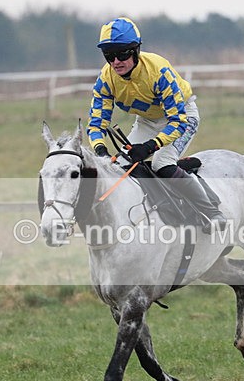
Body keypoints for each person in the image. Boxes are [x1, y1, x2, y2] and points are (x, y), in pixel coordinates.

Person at [87, 17, 226, 233]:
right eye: (109, 56)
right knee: (119, 165)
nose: (116, 62)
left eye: (122, 53)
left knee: (162, 162)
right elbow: (96, 124)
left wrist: (151, 146)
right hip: (147, 121)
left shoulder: (158, 71)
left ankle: (211, 212)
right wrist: (101, 150)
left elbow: (177, 121)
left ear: (136, 51)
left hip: (181, 117)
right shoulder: (105, 79)